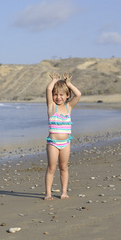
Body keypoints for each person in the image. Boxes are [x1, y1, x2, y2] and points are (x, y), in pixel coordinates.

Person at [44, 72, 82, 200]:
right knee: (51, 168)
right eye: (55, 94)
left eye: (61, 95)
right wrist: (54, 80)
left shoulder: (69, 107)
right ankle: (48, 193)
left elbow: (79, 94)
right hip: (53, 143)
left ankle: (64, 192)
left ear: (67, 96)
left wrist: (69, 84)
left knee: (64, 167)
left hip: (66, 143)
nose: (58, 97)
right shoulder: (51, 107)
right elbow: (48, 89)